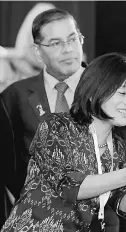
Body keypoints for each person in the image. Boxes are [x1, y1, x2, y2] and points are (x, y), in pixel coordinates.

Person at [1, 52, 126, 232]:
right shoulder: (57, 126)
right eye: (122, 92)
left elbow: (121, 205)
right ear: (93, 91)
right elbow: (69, 187)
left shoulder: (119, 148)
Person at [0, 8, 86, 205]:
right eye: (56, 43)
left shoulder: (108, 90)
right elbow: (8, 166)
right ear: (37, 51)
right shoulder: (13, 97)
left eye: (73, 39)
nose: (68, 49)